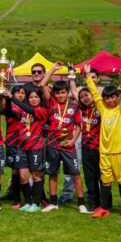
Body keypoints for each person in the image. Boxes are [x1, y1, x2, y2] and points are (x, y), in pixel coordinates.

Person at [84, 67, 121, 219]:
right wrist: (88, 77)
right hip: (104, 153)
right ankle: (104, 208)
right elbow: (95, 95)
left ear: (116, 98)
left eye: (113, 97)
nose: (110, 100)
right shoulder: (103, 110)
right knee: (105, 182)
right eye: (108, 98)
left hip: (119, 152)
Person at [40, 79, 86, 214]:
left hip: (68, 146)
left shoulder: (74, 107)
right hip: (52, 145)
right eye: (57, 93)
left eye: (63, 92)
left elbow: (78, 126)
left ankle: (81, 204)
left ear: (67, 93)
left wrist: (73, 140)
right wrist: (53, 69)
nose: (60, 95)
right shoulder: (51, 103)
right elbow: (42, 85)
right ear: (54, 94)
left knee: (76, 175)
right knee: (52, 174)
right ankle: (53, 203)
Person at [8, 88, 48, 213]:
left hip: (35, 147)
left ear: (40, 99)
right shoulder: (23, 112)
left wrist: (12, 97)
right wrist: (7, 100)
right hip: (21, 147)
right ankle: (28, 202)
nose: (33, 99)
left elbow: (30, 110)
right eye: (31, 97)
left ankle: (36, 203)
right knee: (23, 176)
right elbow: (12, 113)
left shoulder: (41, 110)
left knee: (36, 176)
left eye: (36, 97)